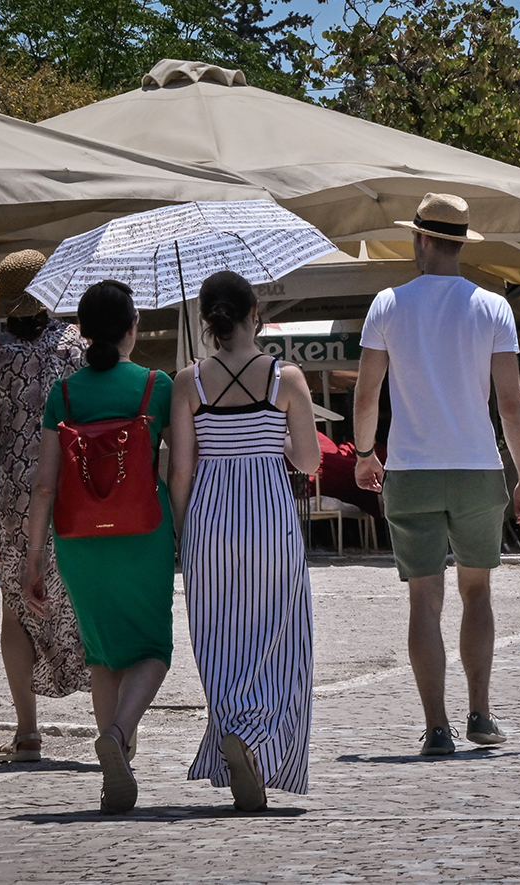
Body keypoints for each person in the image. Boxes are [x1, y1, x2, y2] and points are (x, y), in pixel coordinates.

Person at [353, 193, 520, 755]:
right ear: (459, 242)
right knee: (477, 591)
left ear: (421, 239)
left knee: (423, 600)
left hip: (411, 469)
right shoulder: (492, 307)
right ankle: (480, 713)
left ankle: (436, 727)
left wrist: (364, 453)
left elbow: (367, 393)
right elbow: (510, 403)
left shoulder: (387, 303)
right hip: (478, 466)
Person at [169, 271, 321, 812]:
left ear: (208, 319)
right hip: (267, 515)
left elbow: (179, 472)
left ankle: (233, 723)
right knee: (280, 636)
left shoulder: (190, 382)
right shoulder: (288, 379)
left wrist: (183, 534)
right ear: (255, 311)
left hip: (210, 516)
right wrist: (270, 432)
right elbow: (307, 461)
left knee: (218, 635)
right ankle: (254, 741)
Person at [23, 280, 174, 813]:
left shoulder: (62, 396)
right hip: (144, 534)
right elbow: (179, 467)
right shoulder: (158, 386)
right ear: (133, 328)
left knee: (102, 654)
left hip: (78, 540)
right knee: (154, 648)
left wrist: (33, 557)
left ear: (81, 332)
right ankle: (118, 733)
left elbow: (44, 483)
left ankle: (115, 780)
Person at [0, 250, 91, 764]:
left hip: (13, 504)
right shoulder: (77, 349)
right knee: (86, 603)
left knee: (14, 611)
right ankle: (115, 723)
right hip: (75, 498)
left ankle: (27, 734)